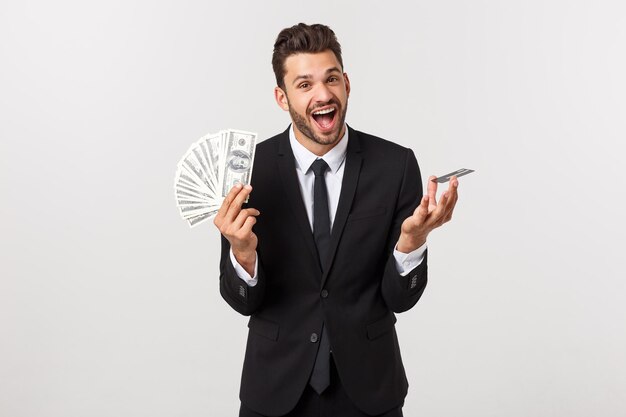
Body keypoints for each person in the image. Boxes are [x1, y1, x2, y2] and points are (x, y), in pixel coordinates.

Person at [214, 23, 459, 417]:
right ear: (282, 97)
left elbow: (401, 298)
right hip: (274, 390)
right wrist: (242, 255)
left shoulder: (395, 166)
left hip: (370, 390)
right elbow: (242, 302)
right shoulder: (247, 172)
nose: (323, 94)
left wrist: (409, 247)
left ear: (346, 82)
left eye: (331, 79)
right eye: (304, 84)